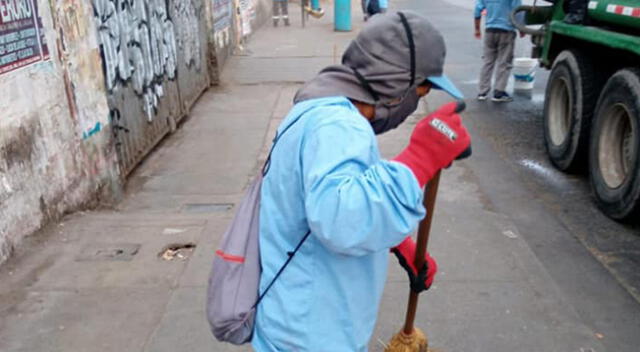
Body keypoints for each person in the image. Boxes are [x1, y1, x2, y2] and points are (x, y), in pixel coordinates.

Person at [253, 11, 471, 351]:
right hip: (311, 334)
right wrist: (420, 158)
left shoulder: (318, 108)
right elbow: (339, 219)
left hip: (298, 315)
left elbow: (325, 194)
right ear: (396, 86)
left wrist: (397, 241)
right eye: (421, 89)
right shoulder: (338, 125)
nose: (417, 103)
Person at [474, 0, 523, 102]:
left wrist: (477, 29)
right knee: (504, 62)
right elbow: (518, 11)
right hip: (506, 31)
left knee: (487, 62)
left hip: (489, 31)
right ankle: (498, 93)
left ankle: (482, 92)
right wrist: (521, 29)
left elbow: (477, 10)